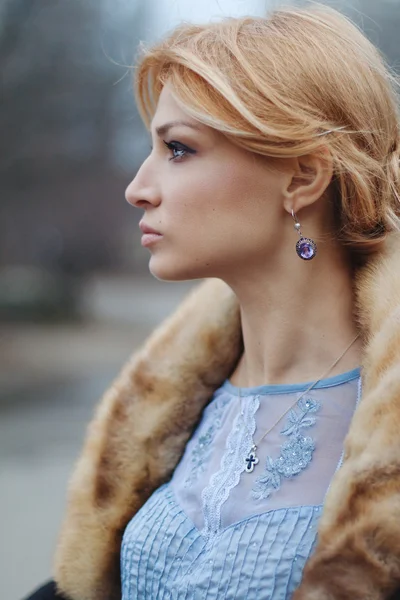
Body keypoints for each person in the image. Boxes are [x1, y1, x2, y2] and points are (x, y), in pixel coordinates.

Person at [23, 3, 400, 600]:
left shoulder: (387, 413)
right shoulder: (166, 400)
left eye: (178, 149)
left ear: (302, 178)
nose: (137, 189)